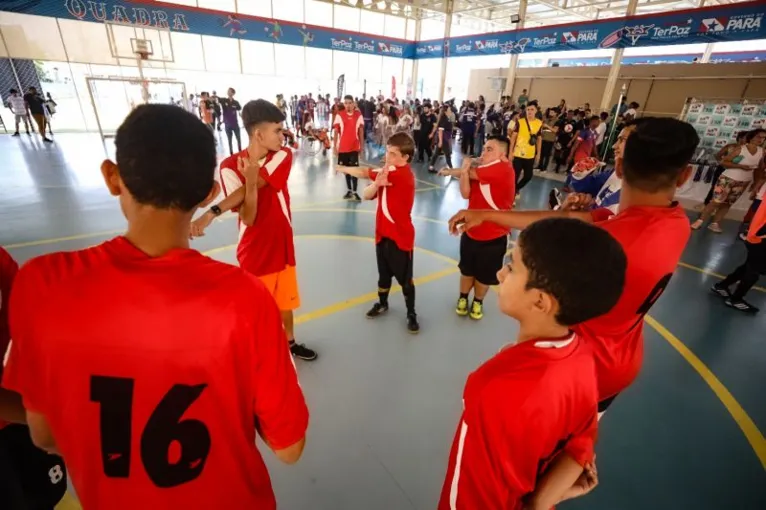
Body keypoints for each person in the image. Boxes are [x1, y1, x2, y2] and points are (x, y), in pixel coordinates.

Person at [2, 105, 309, 508]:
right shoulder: (245, 299)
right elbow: (289, 447)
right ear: (207, 192)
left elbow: (43, 433)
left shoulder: (42, 285)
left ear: (113, 178)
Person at [448, 116, 699, 414]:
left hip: (578, 368)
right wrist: (487, 215)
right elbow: (577, 221)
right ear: (684, 175)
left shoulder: (605, 244)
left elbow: (549, 260)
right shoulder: (673, 222)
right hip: (619, 359)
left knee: (543, 447)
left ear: (619, 167)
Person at [439, 218, 627, 510]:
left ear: (540, 302)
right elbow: (581, 445)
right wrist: (541, 502)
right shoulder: (582, 358)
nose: (501, 273)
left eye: (512, 266)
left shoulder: (497, 387)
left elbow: (470, 496)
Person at [190, 100, 318, 361]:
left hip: (282, 245)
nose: (283, 136)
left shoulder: (282, 155)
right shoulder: (228, 167)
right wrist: (247, 185)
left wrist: (212, 213)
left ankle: (290, 342)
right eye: (277, 131)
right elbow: (248, 217)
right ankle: (257, 354)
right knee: (257, 310)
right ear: (258, 134)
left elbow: (259, 181)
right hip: (255, 250)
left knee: (285, 304)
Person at [335, 132, 420, 333]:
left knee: (405, 280)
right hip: (382, 233)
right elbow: (366, 194)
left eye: (392, 153)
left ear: (405, 157)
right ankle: (383, 303)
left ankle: (411, 312)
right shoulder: (388, 171)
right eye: (387, 152)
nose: (387, 157)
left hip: (400, 238)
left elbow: (364, 172)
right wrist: (376, 183)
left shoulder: (401, 175)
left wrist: (342, 168)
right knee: (383, 276)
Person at [438, 136, 515, 320]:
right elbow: (466, 192)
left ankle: (478, 301)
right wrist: (464, 170)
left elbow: (470, 173)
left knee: (484, 276)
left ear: (502, 155)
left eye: (490, 149)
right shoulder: (481, 170)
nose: (484, 152)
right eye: (484, 148)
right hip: (471, 231)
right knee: (467, 270)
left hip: (495, 235)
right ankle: (463, 298)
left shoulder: (504, 169)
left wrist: (454, 170)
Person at [692, 129, 765, 233]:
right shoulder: (740, 149)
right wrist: (740, 166)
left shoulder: (762, 152)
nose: (761, 140)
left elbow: (759, 169)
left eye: (763, 138)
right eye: (759, 137)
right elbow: (724, 162)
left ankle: (715, 223)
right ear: (752, 136)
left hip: (744, 182)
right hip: (727, 179)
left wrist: (755, 183)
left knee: (728, 203)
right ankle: (700, 221)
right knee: (716, 201)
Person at [712, 196, 766, 312]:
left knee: (749, 266)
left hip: (755, 234)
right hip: (760, 238)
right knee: (754, 270)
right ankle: (736, 299)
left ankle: (722, 286)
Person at [333, 94, 365, 201]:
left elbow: (361, 132)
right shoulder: (339, 115)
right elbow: (336, 132)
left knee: (354, 170)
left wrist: (362, 146)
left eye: (350, 103)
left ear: (353, 103)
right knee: (346, 170)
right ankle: (349, 190)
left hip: (354, 147)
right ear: (344, 104)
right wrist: (334, 147)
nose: (348, 105)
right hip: (342, 148)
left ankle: (355, 192)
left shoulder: (358, 115)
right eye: (346, 103)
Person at [703, 131, 747, 206]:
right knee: (715, 187)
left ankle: (718, 207)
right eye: (743, 137)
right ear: (739, 138)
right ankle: (707, 204)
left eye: (747, 138)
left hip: (736, 172)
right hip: (722, 169)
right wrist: (723, 163)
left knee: (729, 191)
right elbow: (718, 155)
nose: (745, 140)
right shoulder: (730, 146)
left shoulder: (747, 150)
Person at [509, 101, 542, 193]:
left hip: (530, 154)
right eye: (528, 109)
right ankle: (512, 194)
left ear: (536, 111)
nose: (529, 111)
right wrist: (510, 152)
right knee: (515, 176)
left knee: (528, 176)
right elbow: (513, 137)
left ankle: (516, 189)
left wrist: (538, 154)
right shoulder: (520, 122)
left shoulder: (539, 123)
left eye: (532, 109)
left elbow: (539, 139)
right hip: (518, 153)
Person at [428, 105, 454, 173]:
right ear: (446, 111)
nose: (450, 111)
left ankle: (431, 167)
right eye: (449, 110)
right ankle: (452, 170)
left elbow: (437, 126)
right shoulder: (444, 118)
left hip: (443, 139)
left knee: (436, 153)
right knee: (448, 154)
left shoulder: (445, 118)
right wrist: (441, 142)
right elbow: (440, 130)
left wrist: (432, 134)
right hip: (443, 139)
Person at [220, 87, 242, 155]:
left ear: (233, 93)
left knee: (238, 138)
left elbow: (239, 108)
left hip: (235, 123)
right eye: (228, 91)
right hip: (227, 124)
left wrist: (234, 107)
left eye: (230, 91)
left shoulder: (236, 102)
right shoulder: (224, 100)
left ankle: (240, 151)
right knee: (229, 140)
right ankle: (231, 153)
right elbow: (216, 99)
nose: (228, 92)